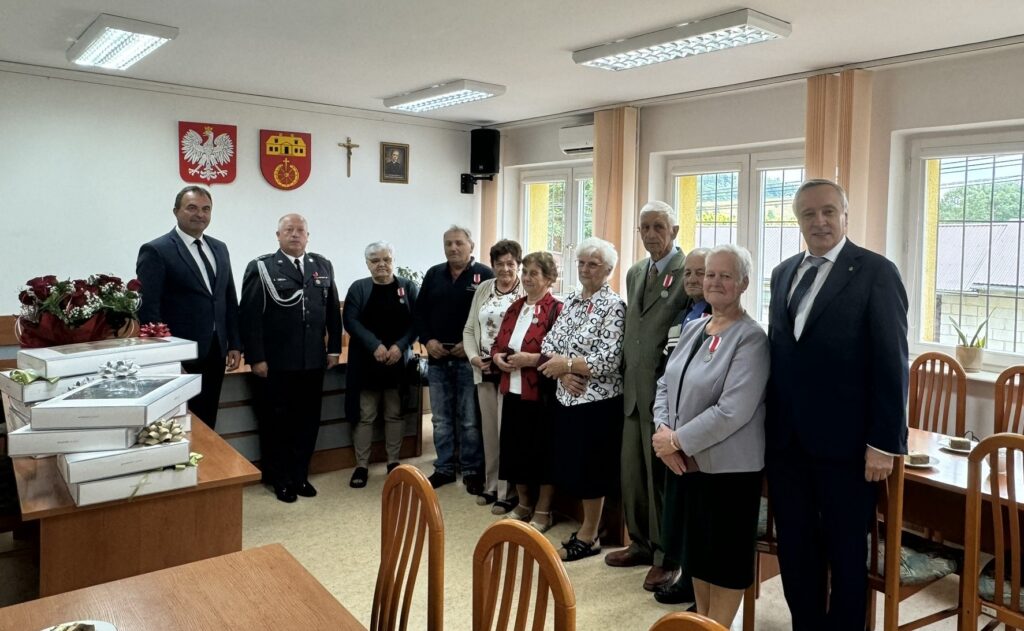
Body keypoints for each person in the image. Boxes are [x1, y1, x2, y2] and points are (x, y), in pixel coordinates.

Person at [766, 179, 909, 630]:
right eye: (808, 213)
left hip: (849, 449)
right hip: (787, 446)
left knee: (846, 556)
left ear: (845, 215)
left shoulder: (875, 272)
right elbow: (780, 354)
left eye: (829, 211)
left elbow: (892, 362)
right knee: (796, 551)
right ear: (797, 220)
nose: (820, 221)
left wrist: (884, 443)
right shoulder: (783, 273)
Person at [652, 244, 769, 627]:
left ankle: (718, 625)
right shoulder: (694, 328)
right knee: (697, 557)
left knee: (725, 562)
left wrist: (676, 441)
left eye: (726, 276)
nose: (714, 282)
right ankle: (703, 622)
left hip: (728, 472)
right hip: (684, 465)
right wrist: (662, 432)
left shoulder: (752, 338)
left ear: (744, 283)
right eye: (709, 274)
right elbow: (665, 384)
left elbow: (732, 411)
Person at [610, 201, 691, 593]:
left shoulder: (688, 271)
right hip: (632, 389)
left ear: (674, 230)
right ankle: (640, 543)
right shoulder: (636, 271)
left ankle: (666, 556)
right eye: (645, 227)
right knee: (633, 474)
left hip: (663, 394)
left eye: (659, 226)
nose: (651, 234)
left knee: (660, 479)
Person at [239, 213, 342, 503]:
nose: (295, 234)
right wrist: (256, 358)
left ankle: (300, 475)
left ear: (308, 236)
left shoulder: (322, 265)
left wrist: (334, 348)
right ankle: (279, 478)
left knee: (307, 422)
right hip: (276, 364)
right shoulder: (262, 267)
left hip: (312, 362)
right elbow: (249, 317)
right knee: (276, 423)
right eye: (289, 230)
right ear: (278, 235)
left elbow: (332, 311)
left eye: (300, 230)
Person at [539, 237, 625, 562]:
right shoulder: (572, 300)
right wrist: (563, 372)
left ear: (608, 270)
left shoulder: (614, 306)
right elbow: (549, 343)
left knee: (592, 470)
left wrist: (568, 365)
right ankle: (587, 528)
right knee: (574, 465)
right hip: (567, 396)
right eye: (582, 263)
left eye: (593, 264)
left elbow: (610, 359)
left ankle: (590, 537)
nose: (585, 269)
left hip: (597, 402)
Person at [136, 186, 241, 429]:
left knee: (208, 418)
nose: (200, 214)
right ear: (176, 211)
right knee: (180, 423)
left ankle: (207, 456)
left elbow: (228, 298)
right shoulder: (157, 250)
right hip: (181, 354)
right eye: (192, 208)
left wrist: (235, 343)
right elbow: (149, 309)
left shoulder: (219, 248)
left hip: (215, 350)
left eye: (206, 209)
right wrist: (168, 358)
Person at [415, 225, 495, 491]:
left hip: (468, 360)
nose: (453, 248)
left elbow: (493, 317)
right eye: (448, 243)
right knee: (440, 419)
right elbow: (419, 313)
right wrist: (428, 341)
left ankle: (471, 469)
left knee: (470, 419)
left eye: (459, 243)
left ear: (471, 246)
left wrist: (470, 346)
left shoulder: (485, 275)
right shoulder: (434, 274)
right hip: (437, 357)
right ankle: (445, 468)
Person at [491, 252, 562, 532]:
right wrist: (497, 357)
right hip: (512, 388)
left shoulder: (556, 309)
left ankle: (543, 511)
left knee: (542, 454)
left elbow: (561, 353)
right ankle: (523, 504)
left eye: (535, 273)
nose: (527, 278)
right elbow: (498, 343)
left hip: (541, 394)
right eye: (525, 272)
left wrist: (530, 360)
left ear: (549, 278)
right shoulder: (516, 307)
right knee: (514, 450)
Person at [343, 241, 419, 488]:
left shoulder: (407, 287)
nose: (382, 265)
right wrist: (375, 345)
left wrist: (400, 346)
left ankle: (393, 462)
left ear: (393, 260)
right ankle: (362, 466)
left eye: (386, 259)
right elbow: (351, 321)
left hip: (398, 362)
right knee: (365, 415)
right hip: (366, 363)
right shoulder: (359, 288)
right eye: (375, 260)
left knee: (394, 413)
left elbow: (417, 322)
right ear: (367, 263)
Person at [463, 239, 525, 513]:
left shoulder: (525, 290)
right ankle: (491, 486)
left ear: (518, 265)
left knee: (507, 433)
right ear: (492, 265)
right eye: (500, 264)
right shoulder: (484, 289)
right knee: (489, 432)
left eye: (511, 263)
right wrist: (474, 358)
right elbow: (469, 329)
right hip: (485, 369)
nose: (505, 269)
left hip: (512, 371)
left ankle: (507, 492)